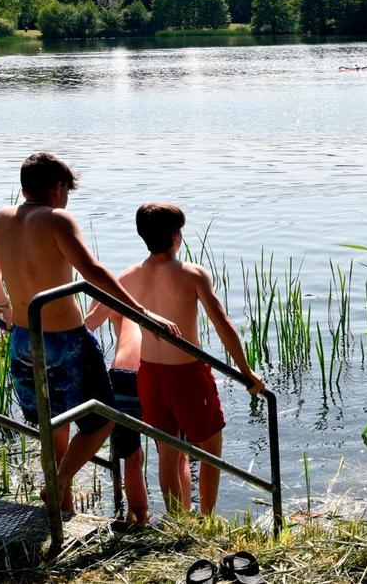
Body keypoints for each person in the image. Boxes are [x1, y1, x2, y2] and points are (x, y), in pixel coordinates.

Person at [0, 152, 179, 513]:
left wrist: (5, 308)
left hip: (24, 338)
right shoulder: (58, 220)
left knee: (53, 423)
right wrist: (143, 311)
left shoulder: (2, 218)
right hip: (66, 341)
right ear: (57, 188)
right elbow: (93, 271)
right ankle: (57, 485)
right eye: (66, 190)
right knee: (104, 416)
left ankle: (63, 506)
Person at [119, 203, 265, 515]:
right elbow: (222, 324)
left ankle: (177, 520)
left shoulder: (129, 276)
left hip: (150, 375)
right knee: (211, 449)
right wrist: (246, 370)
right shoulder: (192, 274)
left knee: (167, 454)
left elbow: (97, 314)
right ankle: (207, 518)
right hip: (187, 374)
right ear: (175, 236)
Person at [85, 300, 152, 527]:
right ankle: (183, 515)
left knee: (132, 458)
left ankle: (138, 516)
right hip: (155, 371)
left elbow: (87, 324)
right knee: (175, 453)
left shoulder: (115, 298)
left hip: (122, 377)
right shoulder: (156, 295)